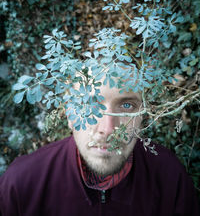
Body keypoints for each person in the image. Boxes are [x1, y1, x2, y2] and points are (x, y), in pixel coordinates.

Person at [0, 77, 199, 216]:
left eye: (126, 105)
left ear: (143, 116)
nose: (108, 128)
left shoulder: (169, 176)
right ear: (69, 113)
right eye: (90, 103)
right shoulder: (22, 183)